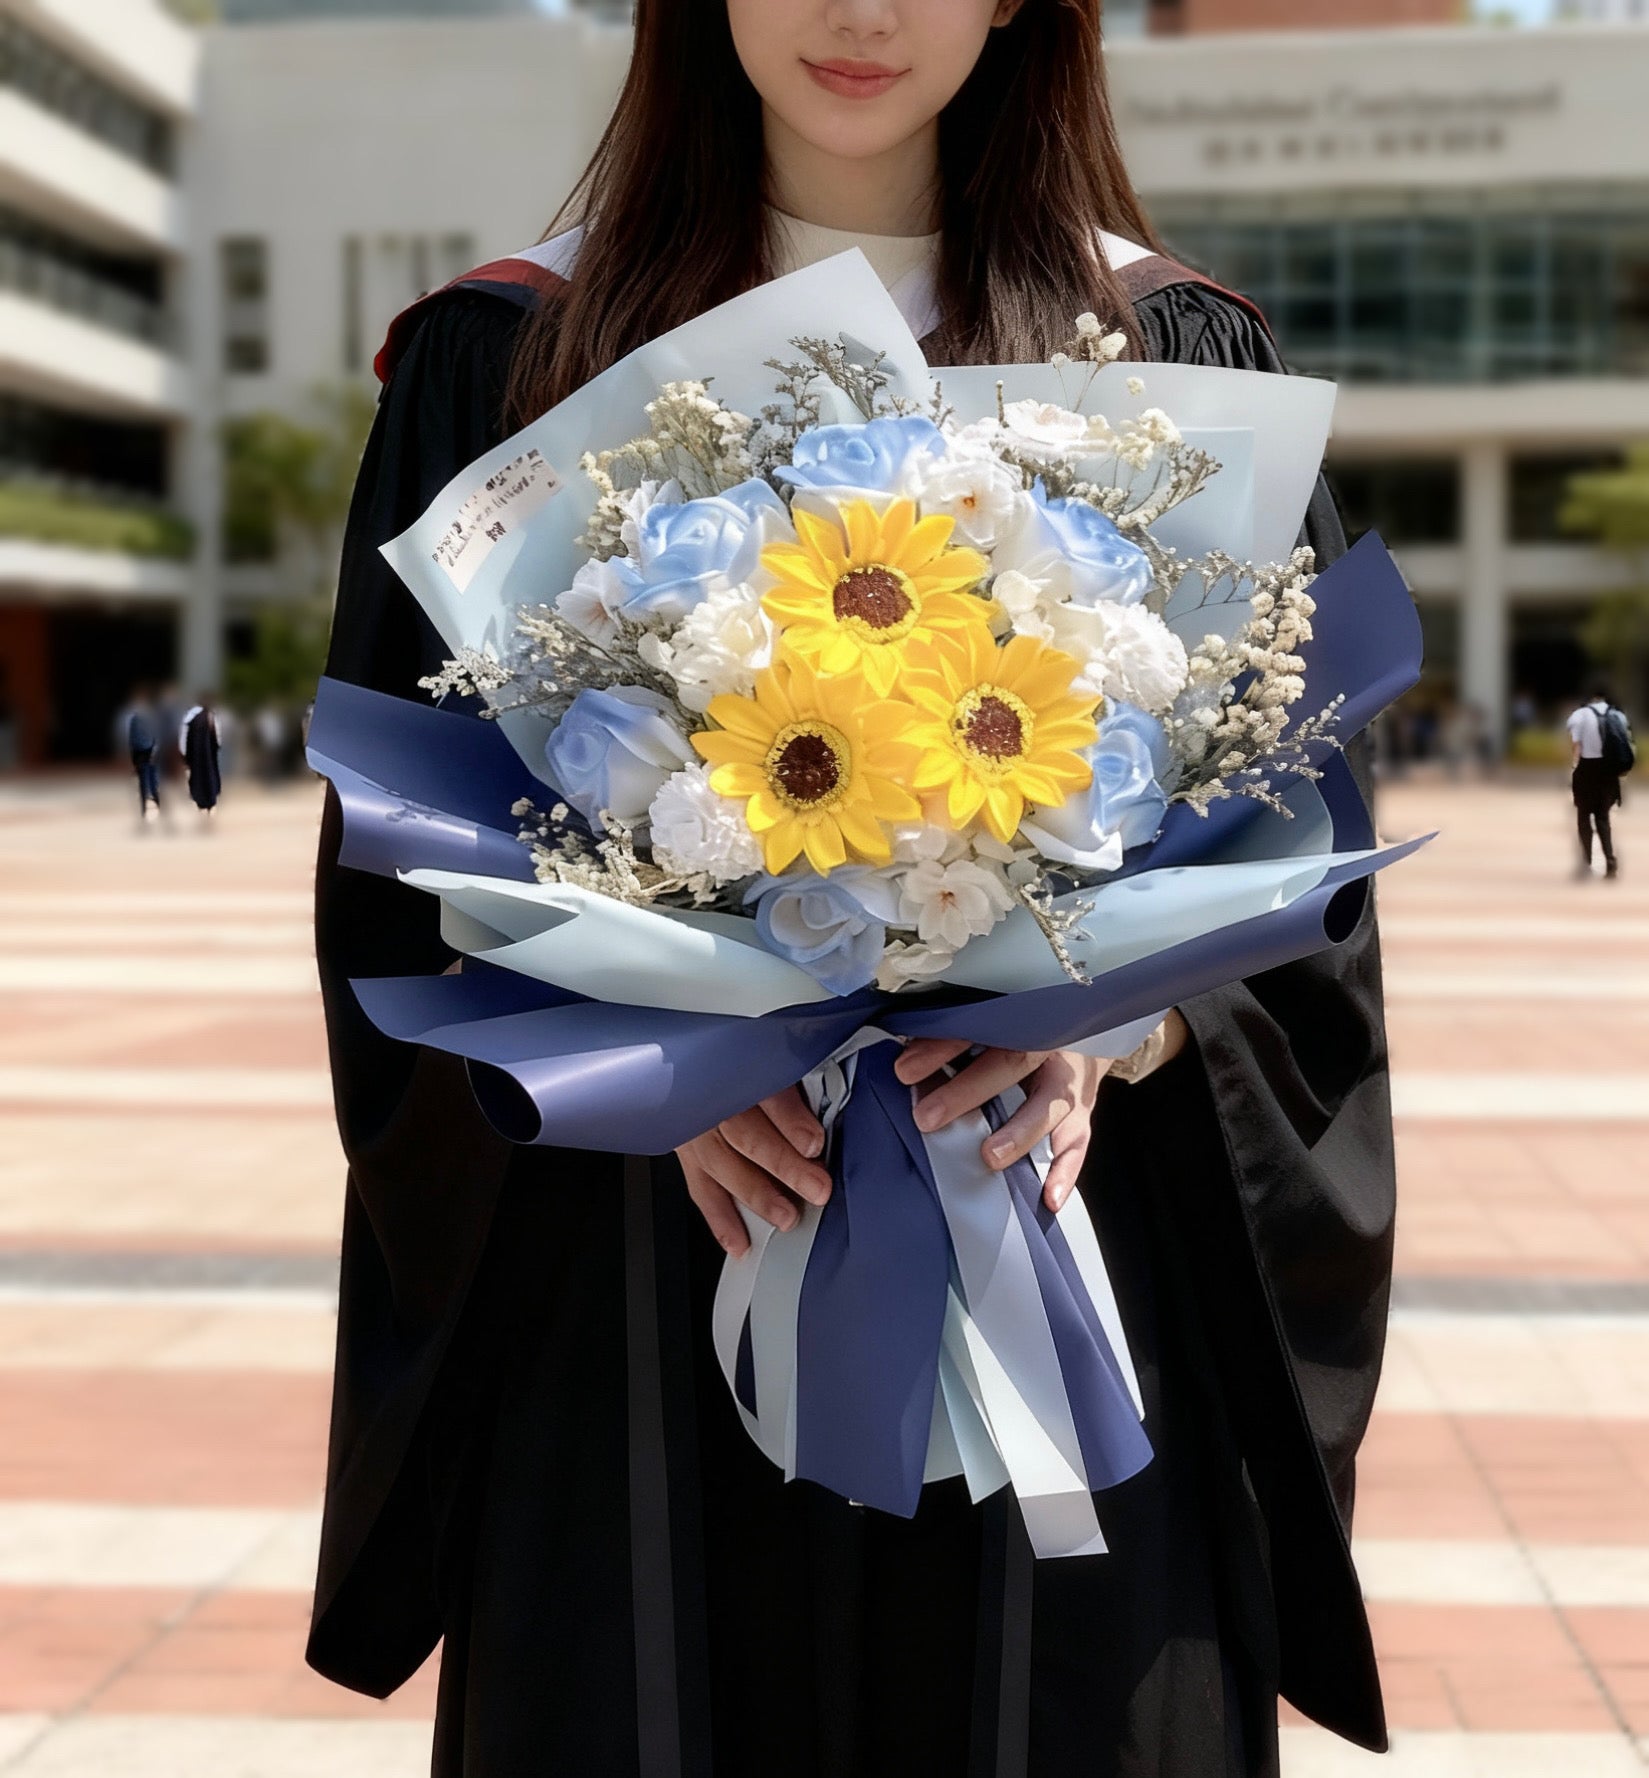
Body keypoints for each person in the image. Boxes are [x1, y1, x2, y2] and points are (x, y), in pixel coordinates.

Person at [310, 5, 1397, 1774]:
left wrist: (1116, 1028)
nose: (861, 13)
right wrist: (630, 1064)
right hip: (639, 1303)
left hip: (1056, 1278)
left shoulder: (1164, 362)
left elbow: (1303, 902)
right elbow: (396, 870)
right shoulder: (510, 360)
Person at [1568, 681, 1632, 880]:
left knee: (1583, 817)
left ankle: (1586, 865)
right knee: (1603, 818)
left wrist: (1574, 768)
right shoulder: (1618, 714)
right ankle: (1610, 863)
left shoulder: (1579, 715)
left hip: (1587, 769)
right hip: (1609, 771)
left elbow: (1576, 747)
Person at [124, 685, 163, 824]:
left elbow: (132, 740)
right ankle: (160, 807)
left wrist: (133, 759)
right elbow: (158, 736)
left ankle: (144, 812)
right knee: (154, 782)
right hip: (152, 752)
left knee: (143, 784)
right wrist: (155, 751)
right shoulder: (153, 717)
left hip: (140, 754)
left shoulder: (134, 719)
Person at [181, 694, 222, 822]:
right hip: (209, 756)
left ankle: (201, 808)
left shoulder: (189, 718)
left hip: (195, 757)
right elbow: (218, 737)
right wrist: (217, 748)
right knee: (210, 779)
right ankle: (210, 808)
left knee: (197, 780)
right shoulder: (211, 717)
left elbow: (183, 739)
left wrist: (185, 755)